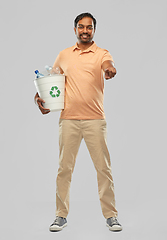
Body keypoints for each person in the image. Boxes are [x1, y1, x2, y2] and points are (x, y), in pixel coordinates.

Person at [34, 12, 122, 232]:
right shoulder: (64, 55)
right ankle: (60, 216)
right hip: (68, 121)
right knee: (64, 169)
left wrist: (110, 69)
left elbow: (108, 64)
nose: (85, 31)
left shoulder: (102, 53)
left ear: (94, 30)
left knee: (103, 169)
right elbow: (50, 81)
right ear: (75, 29)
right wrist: (39, 98)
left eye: (89, 27)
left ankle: (111, 216)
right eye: (81, 27)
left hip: (95, 121)